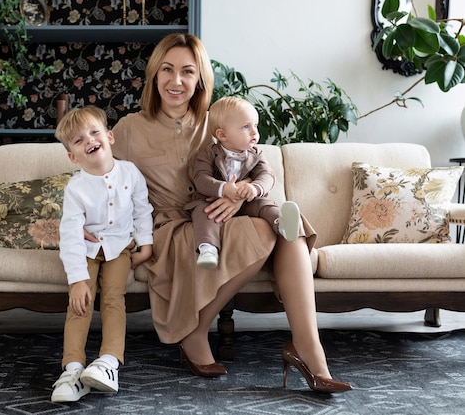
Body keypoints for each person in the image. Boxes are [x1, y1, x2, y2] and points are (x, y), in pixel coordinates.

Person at [111, 33, 351, 392]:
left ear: (200, 79)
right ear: (154, 74)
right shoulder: (128, 129)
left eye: (188, 72)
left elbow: (258, 167)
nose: (177, 81)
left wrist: (241, 196)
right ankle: (195, 331)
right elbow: (102, 182)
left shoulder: (219, 121)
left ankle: (309, 350)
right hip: (175, 228)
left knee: (289, 226)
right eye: (168, 70)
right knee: (265, 231)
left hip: (231, 215)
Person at [51, 105, 154, 403]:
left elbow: (142, 210)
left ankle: (109, 362)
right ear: (73, 156)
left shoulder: (130, 173)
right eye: (79, 140)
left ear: (109, 137)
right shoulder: (76, 188)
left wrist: (145, 245)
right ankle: (72, 369)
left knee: (112, 298)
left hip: (119, 248)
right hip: (85, 249)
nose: (89, 140)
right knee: (80, 303)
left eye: (94, 132)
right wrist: (78, 280)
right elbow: (70, 234)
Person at [185, 96, 301, 269]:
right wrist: (223, 189)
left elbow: (267, 174)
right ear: (222, 135)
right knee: (202, 211)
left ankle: (282, 224)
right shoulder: (208, 154)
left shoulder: (256, 153)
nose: (254, 132)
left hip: (246, 202)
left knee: (265, 204)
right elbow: (201, 179)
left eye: (255, 125)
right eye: (246, 127)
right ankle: (208, 248)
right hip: (213, 202)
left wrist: (255, 188)